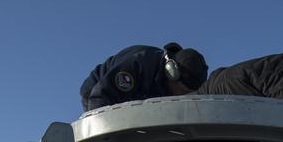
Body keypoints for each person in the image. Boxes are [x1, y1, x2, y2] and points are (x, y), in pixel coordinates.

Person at [79, 42, 208, 111]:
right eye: (183, 90)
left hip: (133, 99)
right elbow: (101, 96)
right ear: (172, 72)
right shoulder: (140, 64)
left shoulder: (165, 85)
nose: (181, 96)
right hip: (98, 91)